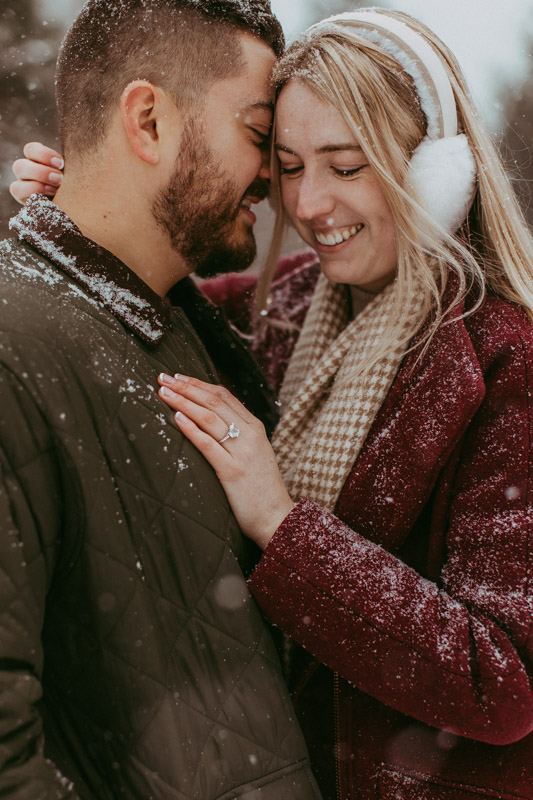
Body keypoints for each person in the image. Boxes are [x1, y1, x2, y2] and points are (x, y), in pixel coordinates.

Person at [11, 8, 533, 800]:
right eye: (286, 163)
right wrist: (80, 196)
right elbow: (146, 285)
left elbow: (503, 683)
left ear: (435, 171)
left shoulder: (503, 362)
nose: (309, 202)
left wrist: (285, 527)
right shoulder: (285, 310)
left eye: (346, 165)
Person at [0, 1, 323, 798]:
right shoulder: (15, 347)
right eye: (257, 135)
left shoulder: (172, 319)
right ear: (147, 119)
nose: (273, 177)